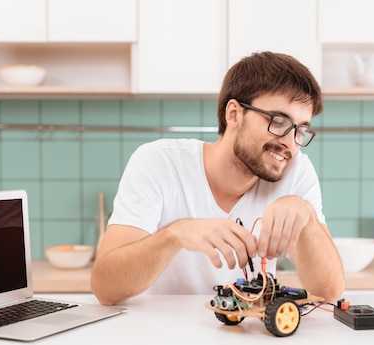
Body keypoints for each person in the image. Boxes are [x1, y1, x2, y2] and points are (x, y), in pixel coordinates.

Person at [92, 51, 345, 305]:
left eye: (300, 130)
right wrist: (175, 235)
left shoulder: (296, 171)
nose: (290, 143)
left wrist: (307, 217)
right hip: (162, 337)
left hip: (249, 337)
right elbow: (105, 288)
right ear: (234, 114)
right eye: (279, 121)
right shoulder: (159, 162)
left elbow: (330, 292)